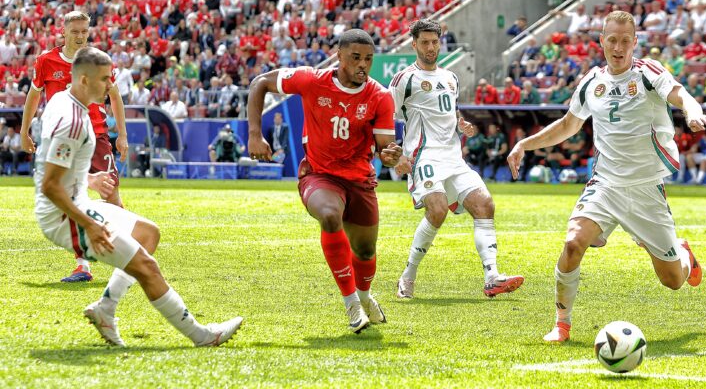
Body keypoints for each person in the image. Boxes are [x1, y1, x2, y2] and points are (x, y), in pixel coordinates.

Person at [507, 11, 706, 343]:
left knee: (673, 280)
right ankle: (562, 324)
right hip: (605, 185)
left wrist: (692, 109)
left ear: (635, 43)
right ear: (602, 41)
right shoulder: (591, 81)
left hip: (645, 188)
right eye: (612, 40)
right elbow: (569, 126)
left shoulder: (648, 73)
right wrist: (525, 144)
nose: (618, 48)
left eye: (625, 41)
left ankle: (683, 253)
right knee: (573, 242)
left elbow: (678, 93)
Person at [34, 47, 242, 347]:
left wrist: (88, 179)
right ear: (83, 79)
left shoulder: (63, 101)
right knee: (146, 267)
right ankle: (203, 336)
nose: (110, 86)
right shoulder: (72, 121)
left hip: (75, 202)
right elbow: (51, 186)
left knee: (148, 233)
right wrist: (89, 224)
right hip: (64, 216)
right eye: (105, 79)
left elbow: (52, 166)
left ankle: (105, 309)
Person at [247, 29, 398, 333]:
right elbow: (260, 82)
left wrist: (391, 155)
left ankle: (365, 297)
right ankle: (351, 304)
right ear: (339, 56)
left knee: (366, 252)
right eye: (355, 57)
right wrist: (254, 133)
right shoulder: (311, 79)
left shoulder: (380, 96)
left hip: (359, 179)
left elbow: (384, 145)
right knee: (329, 215)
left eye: (368, 59)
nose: (362, 65)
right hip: (319, 174)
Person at [385, 19, 524, 300]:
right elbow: (386, 117)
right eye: (424, 42)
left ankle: (492, 277)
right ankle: (408, 276)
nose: (430, 47)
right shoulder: (404, 80)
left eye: (434, 42)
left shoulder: (450, 77)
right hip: (423, 156)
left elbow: (452, 111)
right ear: (414, 44)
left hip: (453, 158)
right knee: (437, 211)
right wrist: (395, 153)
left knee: (484, 204)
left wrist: (462, 124)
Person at [20, 11, 129, 283]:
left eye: (84, 31)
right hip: (65, 137)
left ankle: (130, 251)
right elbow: (33, 98)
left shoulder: (97, 61)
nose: (80, 36)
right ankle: (83, 265)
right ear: (63, 32)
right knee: (71, 195)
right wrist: (24, 131)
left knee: (110, 191)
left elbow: (114, 96)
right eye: (75, 31)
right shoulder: (46, 61)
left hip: (98, 134)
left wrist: (122, 135)